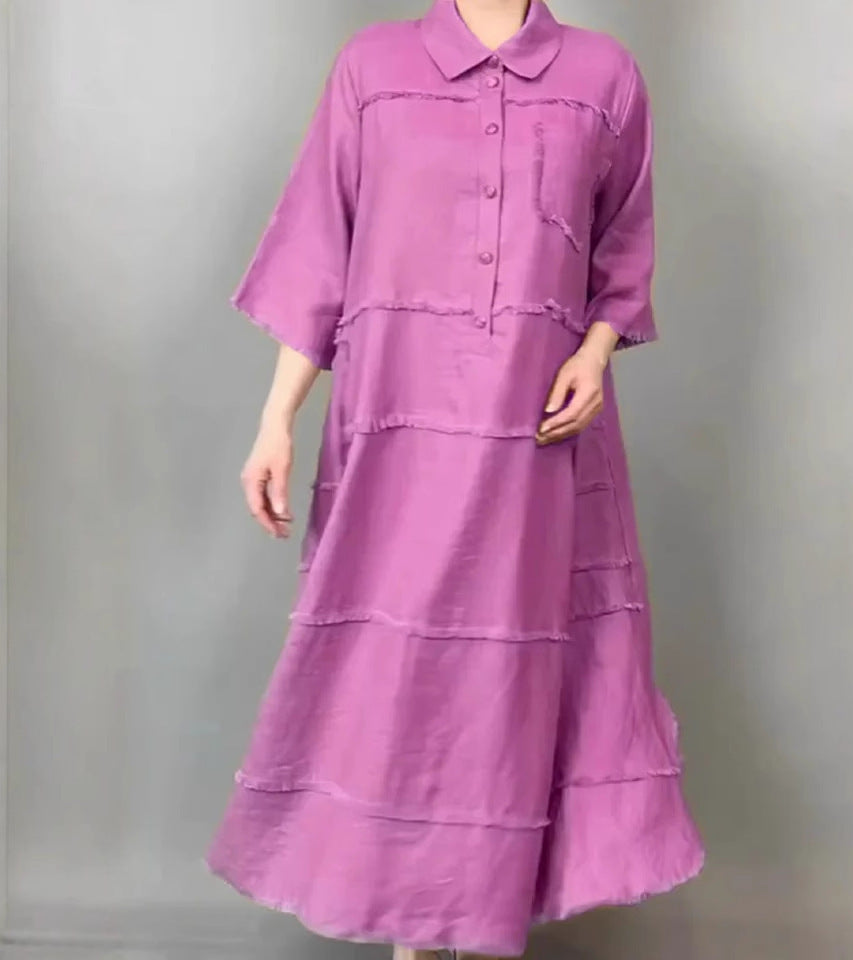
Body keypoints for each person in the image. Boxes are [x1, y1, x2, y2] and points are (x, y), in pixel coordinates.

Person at [204, 1, 706, 957]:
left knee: (502, 688)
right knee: (396, 679)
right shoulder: (372, 68)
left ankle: (471, 928)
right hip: (394, 435)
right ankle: (414, 939)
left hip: (533, 440)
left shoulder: (604, 77)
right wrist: (276, 419)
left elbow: (623, 246)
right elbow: (320, 249)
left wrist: (595, 351)